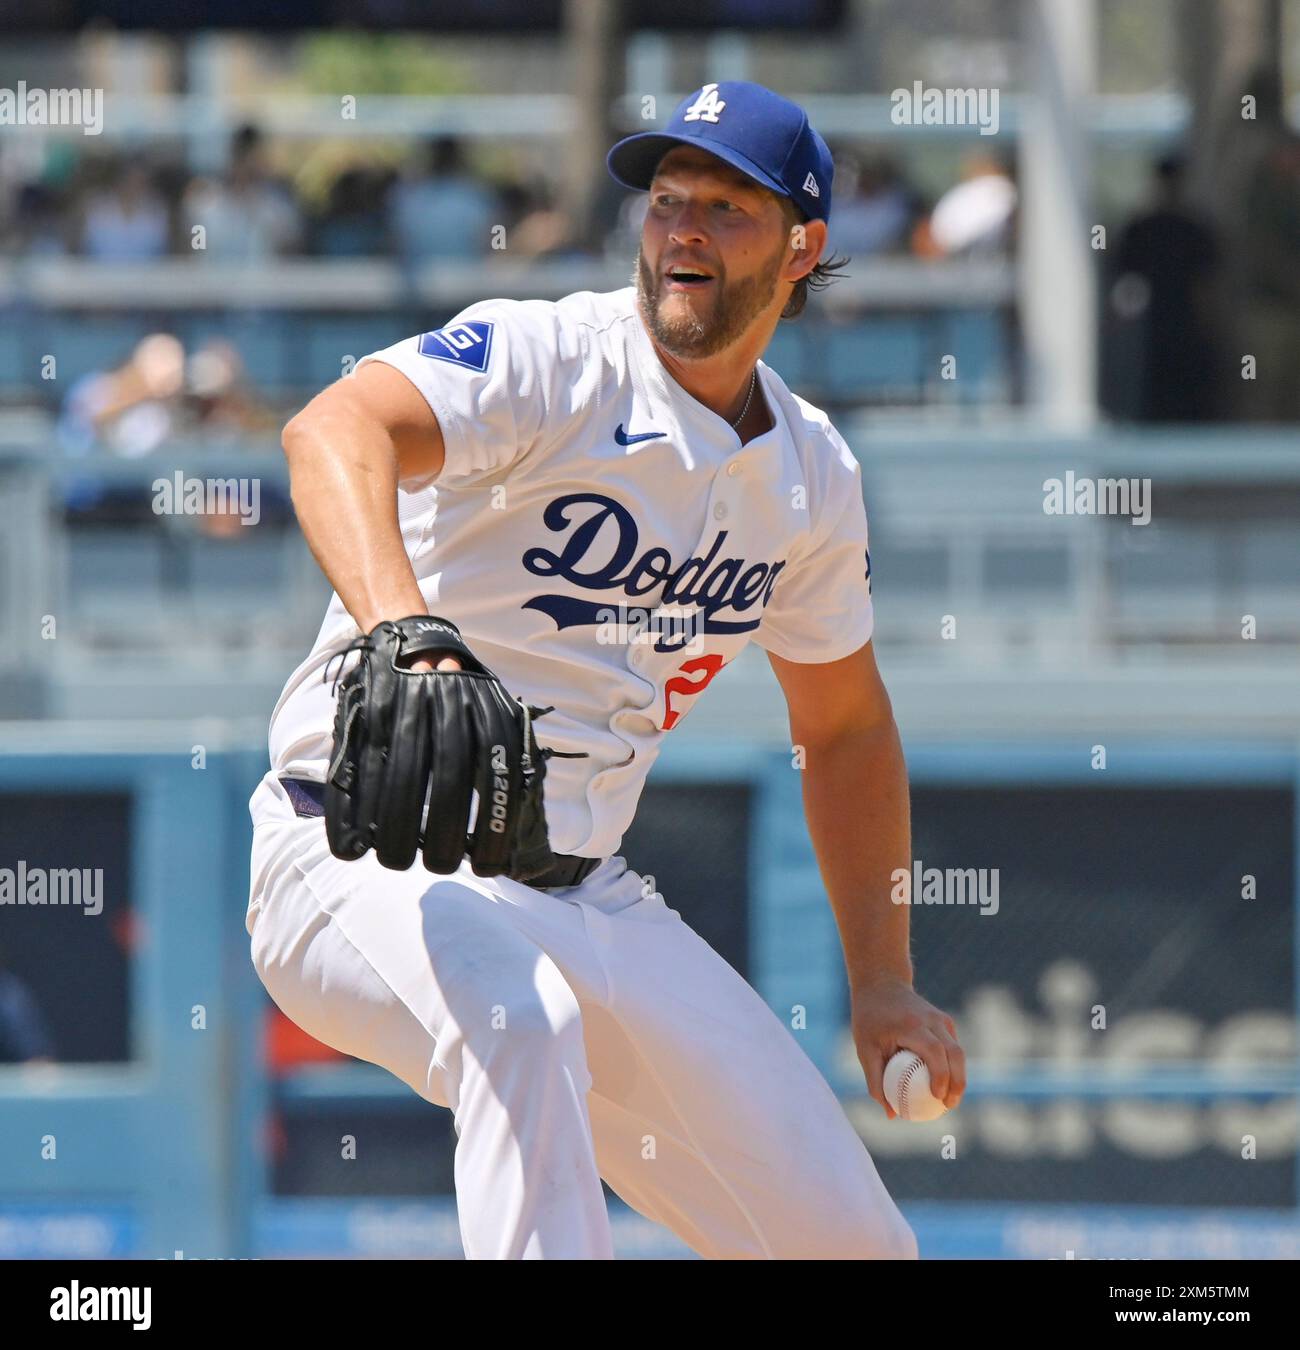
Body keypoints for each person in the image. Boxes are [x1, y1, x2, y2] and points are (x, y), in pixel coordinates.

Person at [246, 80, 964, 1260]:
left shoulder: (812, 476)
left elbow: (841, 728)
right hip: (360, 853)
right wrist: (405, 632)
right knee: (519, 1021)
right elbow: (331, 431)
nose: (682, 228)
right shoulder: (553, 361)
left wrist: (883, 980)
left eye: (727, 208)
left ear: (804, 247)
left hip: (585, 893)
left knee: (852, 1245)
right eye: (666, 200)